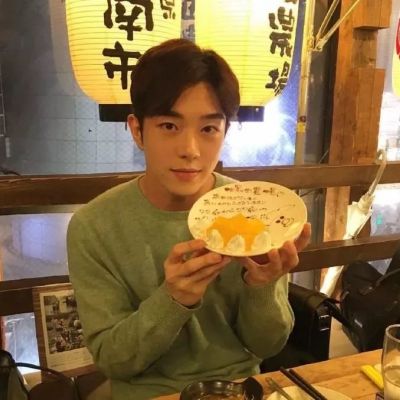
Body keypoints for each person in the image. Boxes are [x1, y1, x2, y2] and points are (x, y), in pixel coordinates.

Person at [67, 38, 311, 400]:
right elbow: (113, 361)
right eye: (169, 126)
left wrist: (262, 285)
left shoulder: (255, 210)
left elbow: (268, 345)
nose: (190, 150)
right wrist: (174, 298)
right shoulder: (94, 226)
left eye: (208, 128)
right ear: (137, 130)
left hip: (237, 390)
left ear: (225, 131)